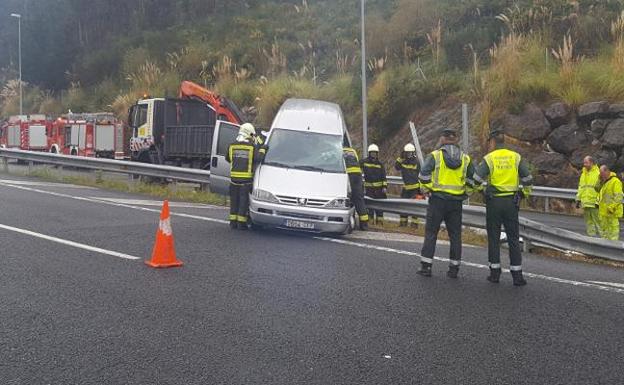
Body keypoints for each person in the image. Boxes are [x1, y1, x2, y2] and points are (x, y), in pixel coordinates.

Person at [474, 129, 533, 286]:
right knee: (513, 238)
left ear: (493, 142)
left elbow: (476, 179)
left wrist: (483, 191)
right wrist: (522, 194)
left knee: (493, 238)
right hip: (511, 203)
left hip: (494, 202)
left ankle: (495, 273)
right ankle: (517, 276)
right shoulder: (515, 157)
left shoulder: (490, 158)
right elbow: (528, 178)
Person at [418, 128, 475, 278]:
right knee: (455, 236)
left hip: (437, 200)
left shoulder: (435, 156)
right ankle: (454, 269)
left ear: (442, 139)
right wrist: (466, 194)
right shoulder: (465, 159)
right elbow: (472, 180)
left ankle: (426, 267)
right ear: (456, 140)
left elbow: (423, 175)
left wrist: (426, 190)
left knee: (431, 233)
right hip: (456, 203)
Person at [226, 123, 262, 230]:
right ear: (249, 134)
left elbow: (228, 158)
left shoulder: (232, 145)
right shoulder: (252, 147)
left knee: (234, 201)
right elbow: (258, 158)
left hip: (233, 180)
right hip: (246, 181)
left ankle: (233, 222)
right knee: (243, 202)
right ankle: (241, 224)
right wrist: (263, 148)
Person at [395, 143, 421, 227]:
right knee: (403, 206)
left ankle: (414, 225)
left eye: (410, 153)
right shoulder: (403, 161)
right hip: (406, 189)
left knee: (415, 207)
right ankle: (403, 224)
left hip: (415, 189)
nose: (408, 155)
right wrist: (400, 157)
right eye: (407, 153)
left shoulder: (416, 162)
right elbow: (397, 167)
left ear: (413, 153)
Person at [343, 147, 369, 230]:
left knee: (347, 198)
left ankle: (349, 223)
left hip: (348, 176)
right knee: (359, 199)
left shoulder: (339, 150)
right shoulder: (352, 151)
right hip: (358, 176)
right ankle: (364, 225)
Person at [361, 144, 387, 225]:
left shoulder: (380, 164)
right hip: (369, 190)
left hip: (379, 190)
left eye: (375, 153)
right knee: (370, 207)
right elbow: (357, 166)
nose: (373, 154)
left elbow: (384, 176)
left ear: (377, 154)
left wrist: (384, 187)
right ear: (369, 153)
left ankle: (380, 223)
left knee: (379, 208)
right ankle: (371, 222)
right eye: (372, 153)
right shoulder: (364, 162)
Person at [575, 156, 601, 237]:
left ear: (592, 163)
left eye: (586, 162)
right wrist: (578, 199)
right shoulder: (583, 174)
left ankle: (604, 240)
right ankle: (592, 239)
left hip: (595, 203)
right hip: (586, 203)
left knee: (598, 222)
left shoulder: (598, 174)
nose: (584, 164)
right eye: (584, 162)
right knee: (589, 223)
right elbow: (581, 187)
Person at [597, 164, 623, 241]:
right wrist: (599, 180)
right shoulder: (605, 182)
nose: (601, 175)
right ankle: (605, 246)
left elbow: (619, 197)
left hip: (612, 211)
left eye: (602, 173)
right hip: (604, 211)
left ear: (607, 171)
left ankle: (613, 247)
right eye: (600, 173)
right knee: (605, 231)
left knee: (613, 231)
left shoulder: (615, 181)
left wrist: (611, 207)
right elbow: (597, 189)